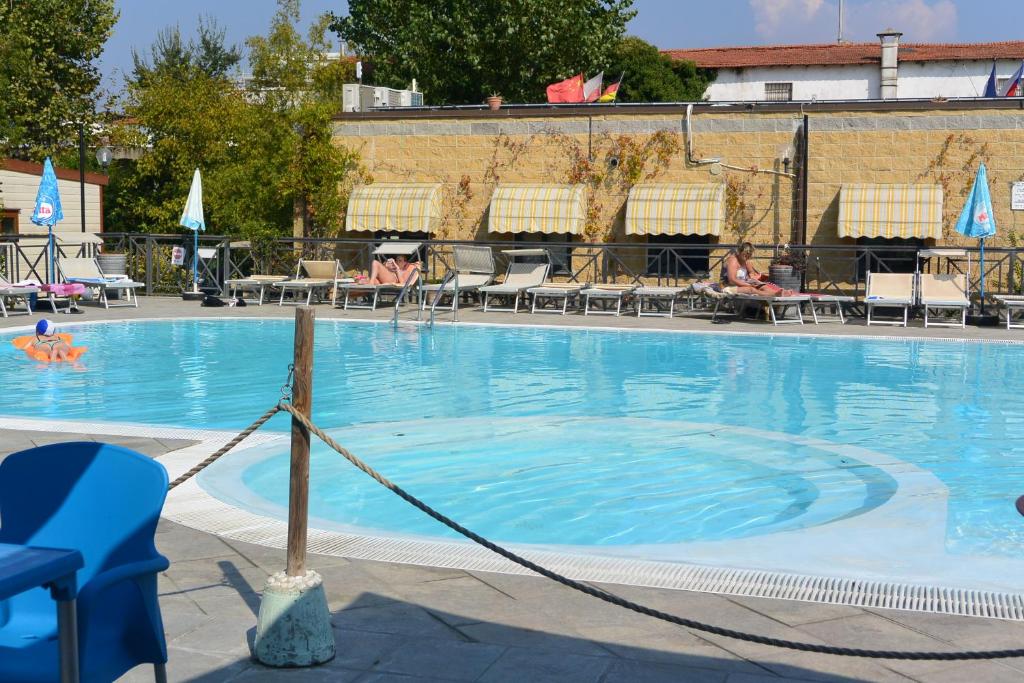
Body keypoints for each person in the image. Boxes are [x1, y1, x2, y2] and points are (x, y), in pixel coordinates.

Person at [720, 242, 792, 296]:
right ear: (740, 252)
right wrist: (748, 285)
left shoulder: (746, 261)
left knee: (763, 286)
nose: (747, 257)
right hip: (727, 287)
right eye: (745, 255)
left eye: (749, 255)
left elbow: (752, 273)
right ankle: (774, 295)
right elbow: (732, 280)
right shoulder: (733, 260)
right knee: (751, 289)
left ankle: (779, 293)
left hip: (741, 284)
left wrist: (754, 278)